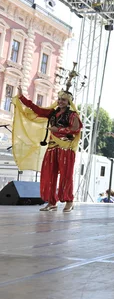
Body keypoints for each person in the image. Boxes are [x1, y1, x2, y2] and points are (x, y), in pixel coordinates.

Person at [12, 84, 81, 213]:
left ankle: (69, 201)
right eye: (59, 99)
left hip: (66, 148)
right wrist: (22, 98)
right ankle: (51, 202)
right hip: (51, 147)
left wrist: (58, 129)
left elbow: (76, 130)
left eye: (63, 100)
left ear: (69, 102)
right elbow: (37, 109)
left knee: (66, 175)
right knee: (48, 174)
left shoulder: (72, 115)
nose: (60, 101)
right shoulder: (52, 113)